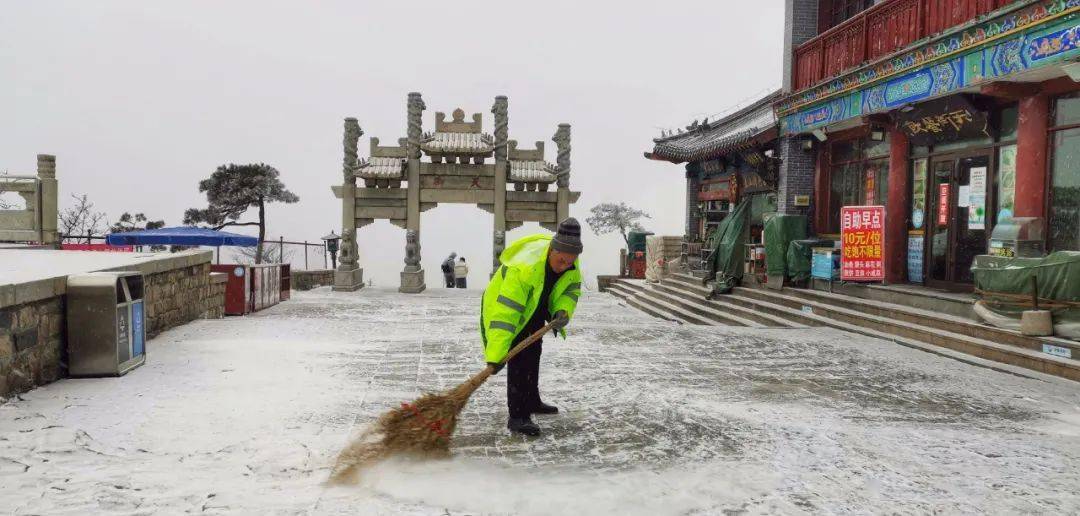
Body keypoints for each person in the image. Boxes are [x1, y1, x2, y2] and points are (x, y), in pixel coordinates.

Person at [480, 218, 583, 437]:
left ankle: (532, 400)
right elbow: (505, 315)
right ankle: (517, 416)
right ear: (551, 250)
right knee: (518, 359)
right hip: (509, 308)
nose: (565, 267)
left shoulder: (571, 263)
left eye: (570, 262)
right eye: (561, 261)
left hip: (537, 306)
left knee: (534, 352)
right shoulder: (524, 268)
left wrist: (562, 311)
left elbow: (570, 291)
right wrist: (496, 355)